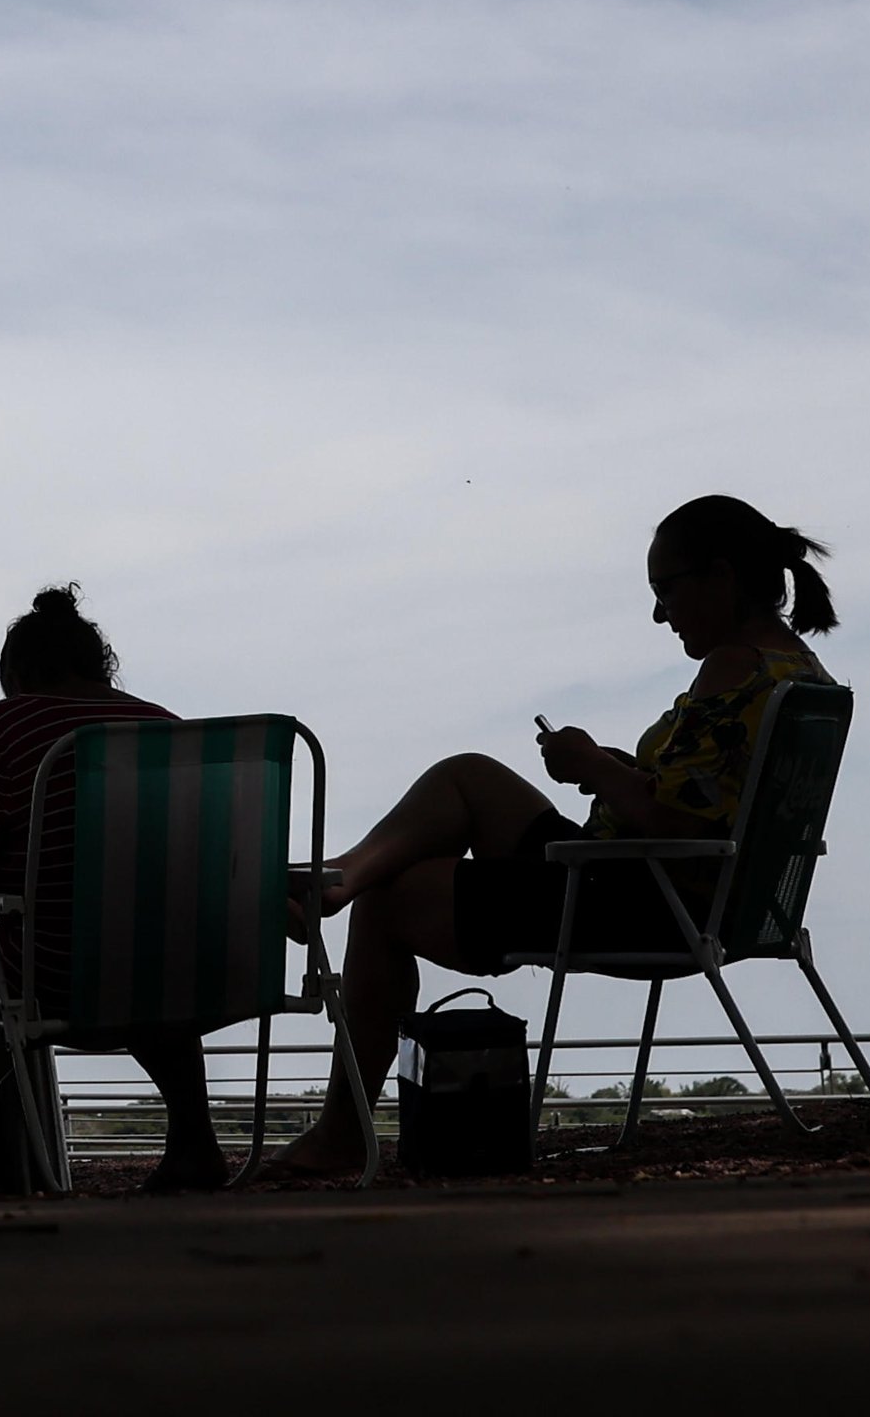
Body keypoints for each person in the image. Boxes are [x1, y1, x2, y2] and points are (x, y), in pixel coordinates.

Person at [266, 495, 837, 1175]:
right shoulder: (798, 673)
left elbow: (679, 822)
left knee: (390, 904)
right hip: (680, 890)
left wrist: (594, 767)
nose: (659, 613)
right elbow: (710, 806)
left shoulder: (735, 667)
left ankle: (338, 1126)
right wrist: (616, 769)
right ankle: (336, 878)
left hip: (642, 901)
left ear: (718, 576)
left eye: (665, 591)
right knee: (468, 776)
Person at [0, 586, 230, 1192]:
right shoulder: (167, 730)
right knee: (146, 950)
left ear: (16, 672)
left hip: (52, 976)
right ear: (100, 665)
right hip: (190, 974)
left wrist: (12, 872)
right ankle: (195, 1142)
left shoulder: (10, 723)